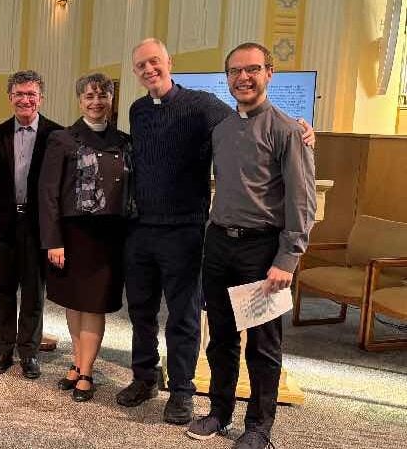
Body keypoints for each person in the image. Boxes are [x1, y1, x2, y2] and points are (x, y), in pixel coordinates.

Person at [119, 38, 313, 424]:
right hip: (146, 229)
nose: (149, 70)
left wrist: (303, 131)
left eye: (155, 61)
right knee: (141, 311)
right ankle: (145, 377)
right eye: (141, 65)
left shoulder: (205, 107)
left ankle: (183, 392)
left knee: (185, 316)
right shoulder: (137, 109)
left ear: (169, 61)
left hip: (189, 231)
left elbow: (252, 121)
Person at [186, 43, 315, 449]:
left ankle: (259, 426)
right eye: (235, 71)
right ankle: (219, 412)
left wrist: (287, 259)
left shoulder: (287, 131)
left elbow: (301, 200)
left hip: (262, 252)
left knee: (262, 343)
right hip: (220, 245)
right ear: (226, 78)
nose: (244, 77)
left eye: (253, 69)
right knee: (221, 337)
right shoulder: (222, 129)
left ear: (269, 73)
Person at [39, 73, 133, 401]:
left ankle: (87, 371)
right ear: (80, 101)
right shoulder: (62, 139)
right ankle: (78, 363)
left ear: (111, 99)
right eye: (89, 96)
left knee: (93, 304)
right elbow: (48, 193)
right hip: (70, 234)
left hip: (108, 237)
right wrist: (53, 240)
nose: (96, 102)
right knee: (73, 302)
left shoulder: (124, 141)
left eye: (102, 96)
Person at [0, 70, 61, 380]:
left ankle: (29, 352)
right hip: (3, 225)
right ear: (10, 97)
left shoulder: (57, 135)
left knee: (33, 291)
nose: (25, 99)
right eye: (19, 94)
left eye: (31, 94)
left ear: (40, 97)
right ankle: (3, 349)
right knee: (2, 288)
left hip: (38, 226)